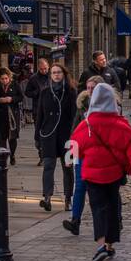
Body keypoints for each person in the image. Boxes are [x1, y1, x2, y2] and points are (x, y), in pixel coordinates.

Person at [72, 83, 131, 261]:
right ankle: (109, 245)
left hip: (92, 176)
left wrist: (78, 162)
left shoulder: (86, 125)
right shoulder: (121, 125)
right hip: (113, 175)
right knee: (113, 208)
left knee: (98, 208)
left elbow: (75, 148)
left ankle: (101, 244)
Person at [37, 61, 77, 212]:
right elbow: (39, 115)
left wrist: (75, 137)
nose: (56, 75)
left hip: (68, 137)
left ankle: (68, 198)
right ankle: (47, 197)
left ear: (64, 74)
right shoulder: (45, 92)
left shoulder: (72, 92)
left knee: (68, 168)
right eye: (53, 73)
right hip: (48, 135)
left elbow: (75, 116)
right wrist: (37, 137)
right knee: (48, 166)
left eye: (58, 72)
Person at [63, 75, 100, 235]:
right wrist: (70, 153)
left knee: (101, 189)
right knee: (80, 186)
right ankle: (75, 221)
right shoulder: (82, 104)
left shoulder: (107, 105)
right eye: (88, 87)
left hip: (98, 154)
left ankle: (113, 220)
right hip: (82, 152)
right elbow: (74, 130)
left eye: (93, 88)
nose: (90, 91)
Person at [0, 68, 21, 165]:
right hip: (0, 115)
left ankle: (12, 155)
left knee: (12, 137)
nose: (4, 80)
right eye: (2, 79)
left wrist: (11, 99)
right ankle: (3, 157)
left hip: (13, 116)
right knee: (2, 137)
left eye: (6, 78)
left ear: (9, 77)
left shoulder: (15, 85)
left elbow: (21, 96)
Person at [24, 57, 51, 166]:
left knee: (49, 133)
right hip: (38, 109)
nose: (44, 71)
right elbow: (27, 92)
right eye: (41, 69)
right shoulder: (34, 79)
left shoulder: (52, 76)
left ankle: (48, 155)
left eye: (45, 69)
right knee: (39, 132)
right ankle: (42, 155)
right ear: (38, 68)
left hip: (51, 109)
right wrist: (37, 92)